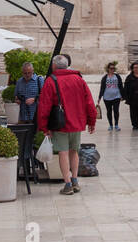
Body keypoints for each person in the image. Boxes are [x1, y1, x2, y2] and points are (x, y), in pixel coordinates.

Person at [36, 55, 96, 196]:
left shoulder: (51, 81)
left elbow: (44, 106)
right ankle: (75, 181)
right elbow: (89, 102)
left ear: (54, 66)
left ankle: (67, 184)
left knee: (63, 153)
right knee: (74, 151)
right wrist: (91, 121)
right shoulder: (78, 79)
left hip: (60, 123)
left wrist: (44, 127)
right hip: (77, 122)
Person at [98, 63, 124, 131]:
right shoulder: (104, 77)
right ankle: (110, 125)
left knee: (116, 111)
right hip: (107, 97)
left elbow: (121, 86)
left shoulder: (117, 76)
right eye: (111, 68)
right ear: (108, 69)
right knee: (109, 111)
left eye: (113, 68)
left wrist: (122, 95)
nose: (112, 70)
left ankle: (116, 125)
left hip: (116, 96)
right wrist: (99, 97)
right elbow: (102, 88)